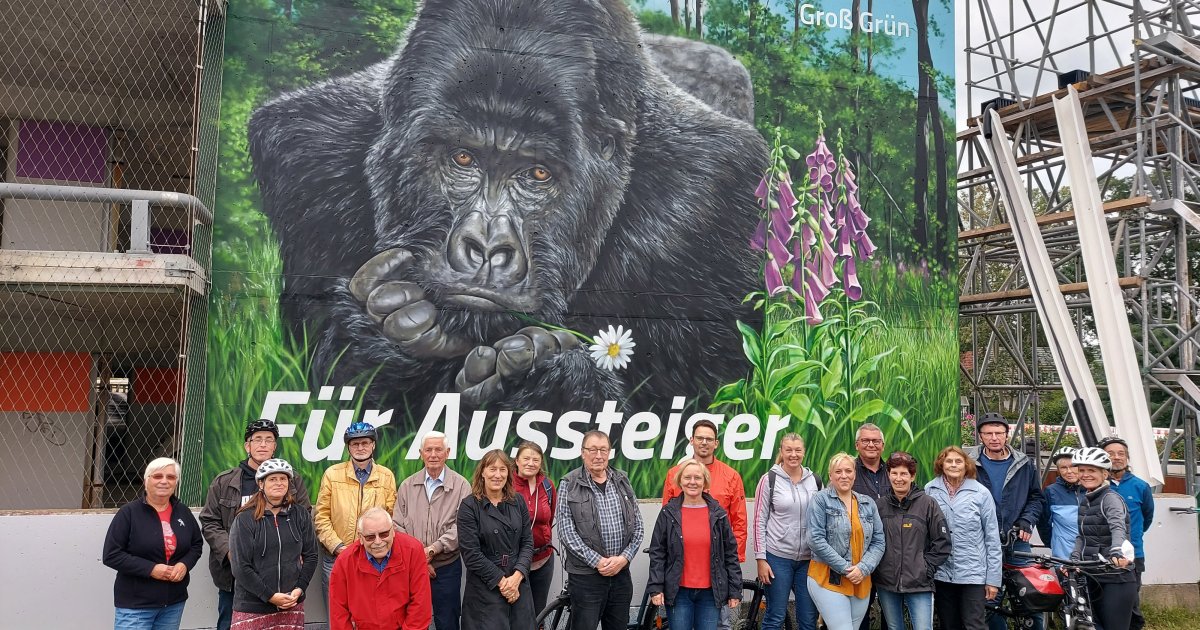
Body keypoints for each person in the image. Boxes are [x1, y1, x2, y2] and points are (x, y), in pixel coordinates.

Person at [200, 419, 311, 630]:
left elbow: (304, 515)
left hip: (280, 576)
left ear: (275, 446)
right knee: (230, 624)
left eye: (269, 440)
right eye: (257, 439)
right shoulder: (225, 481)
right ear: (247, 446)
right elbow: (210, 521)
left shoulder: (291, 480)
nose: (263, 444)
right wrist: (231, 552)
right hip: (236, 577)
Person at [557, 430, 644, 630]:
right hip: (586, 578)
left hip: (621, 575)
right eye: (593, 450)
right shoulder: (569, 484)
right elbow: (566, 532)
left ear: (609, 452)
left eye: (603, 450)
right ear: (583, 453)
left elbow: (638, 526)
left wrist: (624, 558)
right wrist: (598, 561)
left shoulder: (622, 480)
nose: (598, 455)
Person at [102, 457, 204, 630]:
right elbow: (112, 555)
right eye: (157, 476)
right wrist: (151, 569)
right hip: (136, 605)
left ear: (176, 482)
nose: (164, 481)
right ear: (146, 481)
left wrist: (184, 564)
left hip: (173, 603)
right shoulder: (129, 513)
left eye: (170, 477)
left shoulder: (183, 511)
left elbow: (196, 545)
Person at [966, 412, 1044, 630]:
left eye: (999, 433)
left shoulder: (1024, 464)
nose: (994, 438)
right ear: (980, 436)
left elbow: (1036, 497)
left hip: (1017, 541)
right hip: (984, 543)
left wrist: (1027, 520)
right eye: (988, 433)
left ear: (1006, 435)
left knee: (1031, 598)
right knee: (989, 602)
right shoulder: (969, 463)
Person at [649, 458, 742, 630]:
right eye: (687, 477)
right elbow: (658, 552)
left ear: (705, 481)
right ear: (680, 481)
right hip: (678, 592)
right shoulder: (668, 513)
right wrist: (656, 587)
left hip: (710, 593)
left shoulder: (718, 513)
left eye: (698, 478)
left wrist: (735, 590)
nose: (692, 482)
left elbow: (730, 553)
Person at [394, 430, 471, 630]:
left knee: (447, 621)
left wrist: (432, 550)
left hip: (446, 567)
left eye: (438, 449)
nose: (433, 454)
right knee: (413, 622)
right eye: (428, 450)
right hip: (411, 568)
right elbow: (397, 525)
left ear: (448, 452)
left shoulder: (461, 486)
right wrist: (419, 557)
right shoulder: (407, 486)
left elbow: (462, 526)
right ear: (421, 454)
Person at [228, 458, 318, 629]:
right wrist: (270, 596)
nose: (279, 483)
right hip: (253, 606)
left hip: (291, 603)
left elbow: (311, 555)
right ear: (261, 484)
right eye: (272, 479)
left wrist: (300, 588)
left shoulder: (300, 515)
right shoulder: (245, 519)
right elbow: (240, 567)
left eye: (283, 478)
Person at [314, 421, 397, 597]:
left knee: (370, 609)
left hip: (374, 558)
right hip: (336, 557)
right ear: (348, 447)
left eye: (365, 443)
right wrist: (338, 547)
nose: (360, 448)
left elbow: (391, 517)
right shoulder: (332, 474)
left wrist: (374, 546)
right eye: (355, 443)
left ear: (373, 445)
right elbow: (321, 516)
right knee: (336, 610)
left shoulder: (386, 476)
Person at [458, 449, 536, 629]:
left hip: (518, 584)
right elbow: (471, 554)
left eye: (502, 469)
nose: (497, 475)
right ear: (482, 472)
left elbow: (527, 543)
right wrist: (503, 583)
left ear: (508, 473)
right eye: (492, 469)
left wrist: (516, 577)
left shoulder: (518, 501)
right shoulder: (469, 506)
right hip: (486, 587)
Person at [806, 452, 886, 630]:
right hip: (828, 578)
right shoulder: (820, 500)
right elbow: (815, 539)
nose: (844, 475)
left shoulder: (868, 503)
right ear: (830, 475)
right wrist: (846, 568)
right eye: (838, 471)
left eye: (848, 471)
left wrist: (863, 568)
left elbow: (879, 541)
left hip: (860, 579)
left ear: (855, 474)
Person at [925, 446, 1001, 630]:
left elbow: (992, 538)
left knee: (974, 625)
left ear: (966, 465)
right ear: (941, 464)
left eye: (958, 461)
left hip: (973, 574)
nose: (953, 465)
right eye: (949, 461)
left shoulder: (981, 493)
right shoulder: (930, 490)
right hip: (942, 572)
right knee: (948, 624)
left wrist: (993, 580)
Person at [873, 451, 951, 630]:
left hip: (919, 583)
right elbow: (872, 541)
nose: (898, 478)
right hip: (886, 582)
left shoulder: (928, 504)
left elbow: (942, 542)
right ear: (888, 475)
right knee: (894, 628)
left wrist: (925, 568)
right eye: (894, 473)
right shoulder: (880, 506)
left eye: (904, 473)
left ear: (912, 476)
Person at [753, 433, 822, 630]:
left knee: (808, 619)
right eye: (788, 450)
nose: (793, 454)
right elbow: (759, 521)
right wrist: (761, 559)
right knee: (775, 616)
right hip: (777, 558)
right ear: (781, 452)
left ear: (804, 452)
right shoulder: (769, 479)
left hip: (809, 561)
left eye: (798, 450)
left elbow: (822, 518)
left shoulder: (815, 480)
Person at [329, 507, 433, 630]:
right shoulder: (344, 562)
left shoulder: (413, 551)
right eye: (370, 537)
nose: (378, 542)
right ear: (360, 538)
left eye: (384, 534)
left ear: (393, 531)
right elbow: (338, 613)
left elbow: (420, 603)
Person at [1071, 447, 1139, 630]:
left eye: (1091, 470)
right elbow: (1082, 535)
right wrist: (1074, 558)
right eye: (1081, 470)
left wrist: (1116, 550)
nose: (1085, 475)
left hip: (1115, 577)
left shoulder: (1110, 499)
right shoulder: (1086, 500)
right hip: (1093, 573)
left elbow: (1118, 527)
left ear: (1104, 473)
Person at [1100, 436, 1155, 630]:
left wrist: (1132, 539)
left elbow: (1147, 517)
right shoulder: (1095, 485)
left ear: (1127, 457)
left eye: (1121, 453)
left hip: (1132, 555)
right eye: (1110, 453)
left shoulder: (1140, 486)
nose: (1116, 457)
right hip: (1102, 553)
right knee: (1103, 604)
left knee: (1130, 605)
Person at [512, 440, 557, 616]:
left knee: (539, 613)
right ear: (517, 460)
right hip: (514, 562)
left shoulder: (547, 485)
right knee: (516, 613)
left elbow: (549, 519)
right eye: (526, 459)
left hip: (543, 559)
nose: (531, 463)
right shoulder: (506, 484)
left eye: (536, 460)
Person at [851, 423, 887, 630]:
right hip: (859, 556)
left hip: (890, 556)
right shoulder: (849, 471)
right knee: (859, 614)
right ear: (857, 444)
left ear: (883, 445)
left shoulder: (893, 471)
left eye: (876, 441)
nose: (871, 444)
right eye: (865, 440)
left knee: (890, 615)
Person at [1037, 447, 1082, 559]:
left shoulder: (1092, 489)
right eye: (1063, 468)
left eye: (1073, 466)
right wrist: (1053, 543)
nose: (1069, 471)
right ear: (1058, 470)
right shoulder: (1051, 491)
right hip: (1064, 556)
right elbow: (1043, 524)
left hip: (1090, 555)